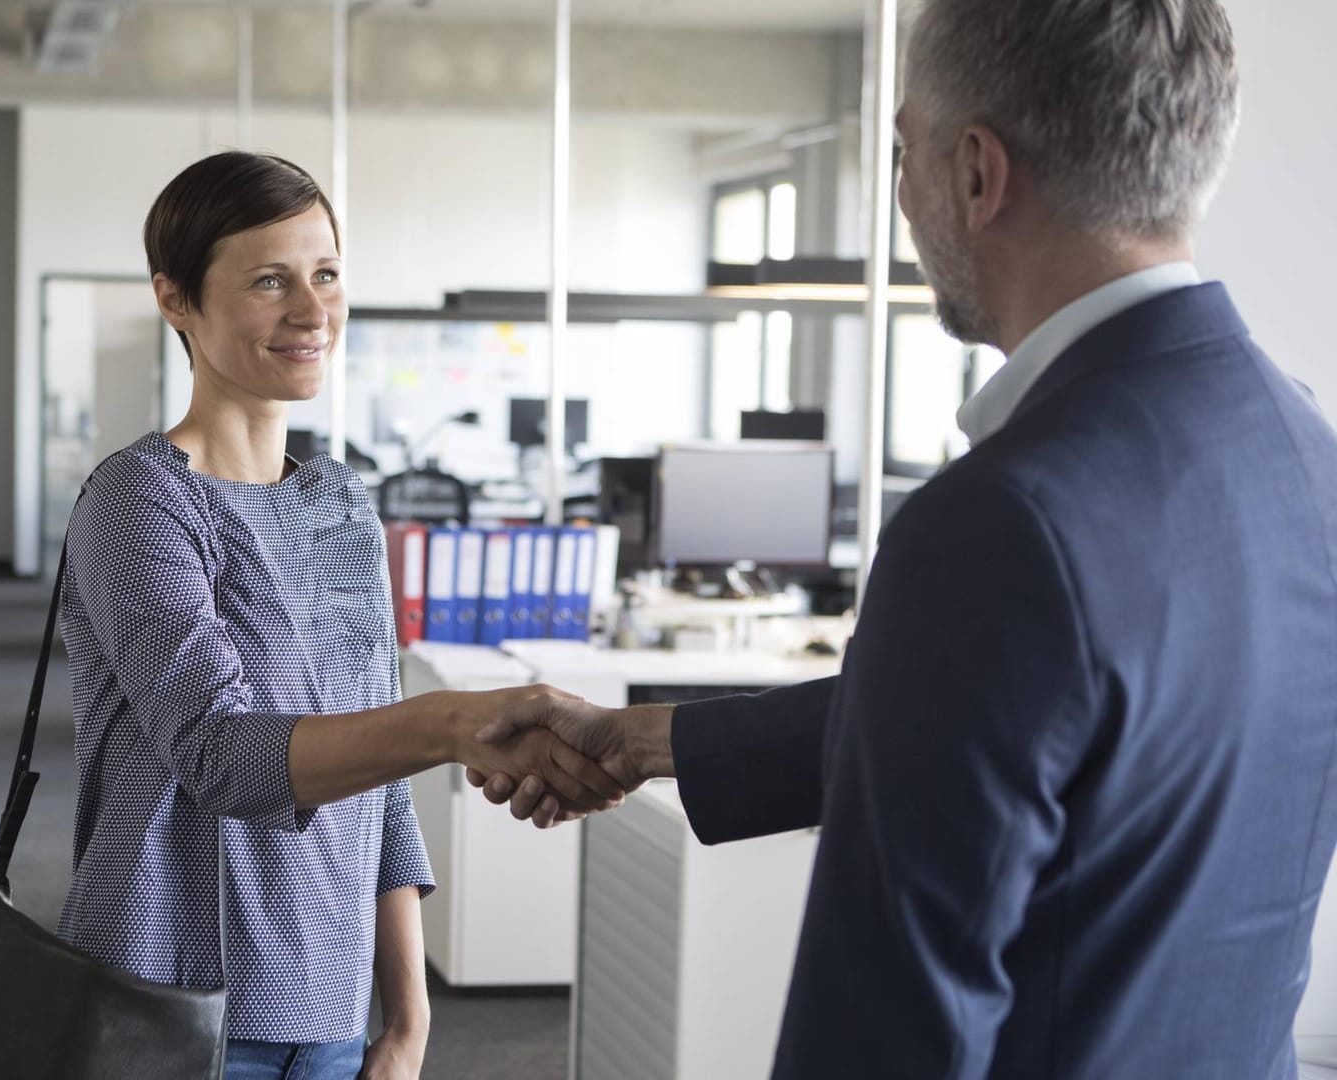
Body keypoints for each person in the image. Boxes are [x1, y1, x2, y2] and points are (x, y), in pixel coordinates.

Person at [472, 1, 1337, 1076]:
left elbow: (889, 1030)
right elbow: (1062, 722)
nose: (901, 195)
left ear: (977, 172)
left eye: (901, 151)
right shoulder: (1305, 451)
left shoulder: (999, 521)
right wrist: (645, 740)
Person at [54, 151, 620, 1080]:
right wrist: (454, 723)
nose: (312, 313)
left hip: (330, 1010)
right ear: (176, 300)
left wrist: (408, 1017)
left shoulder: (342, 505)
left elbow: (379, 778)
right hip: (170, 1003)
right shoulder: (138, 503)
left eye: (325, 276)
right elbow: (224, 756)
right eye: (270, 281)